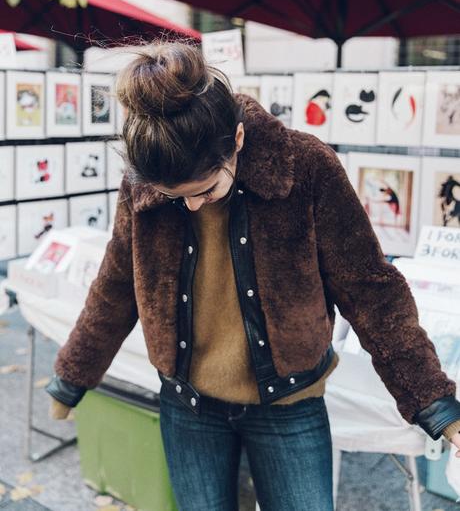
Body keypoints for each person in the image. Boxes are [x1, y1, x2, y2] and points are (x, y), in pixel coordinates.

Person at [47, 42, 460, 511]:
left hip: (290, 405)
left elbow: (371, 291)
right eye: (175, 196)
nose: (191, 206)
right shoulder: (146, 180)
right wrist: (71, 377)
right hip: (188, 406)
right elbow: (116, 284)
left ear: (238, 141)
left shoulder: (305, 167)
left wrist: (435, 404)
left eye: (204, 190)